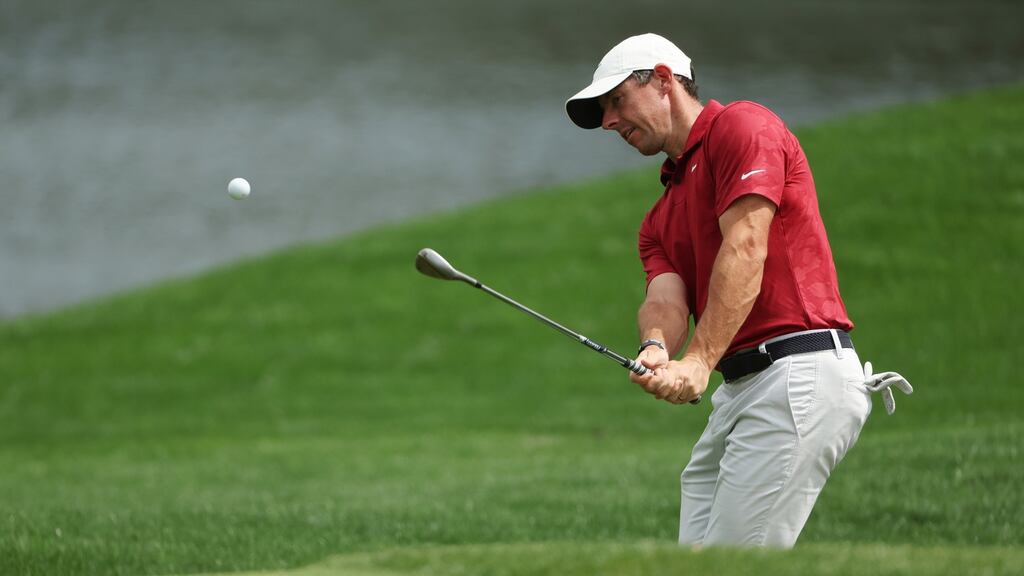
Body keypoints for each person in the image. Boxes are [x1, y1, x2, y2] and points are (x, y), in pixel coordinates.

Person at [565, 33, 912, 548]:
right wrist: (657, 348)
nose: (610, 121)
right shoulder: (659, 219)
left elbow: (747, 246)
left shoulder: (741, 127)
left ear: (663, 80)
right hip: (740, 390)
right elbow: (665, 300)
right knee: (698, 558)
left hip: (796, 373)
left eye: (617, 101)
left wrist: (699, 362)